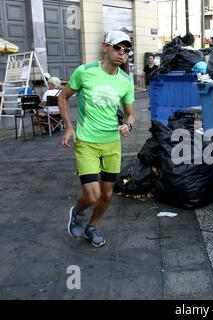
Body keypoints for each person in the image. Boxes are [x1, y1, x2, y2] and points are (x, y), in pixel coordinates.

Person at [58, 30, 135, 247]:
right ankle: (79, 211)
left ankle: (91, 227)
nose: (122, 53)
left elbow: (130, 113)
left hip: (112, 143)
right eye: (117, 48)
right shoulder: (85, 72)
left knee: (108, 195)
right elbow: (62, 97)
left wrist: (128, 125)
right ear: (105, 47)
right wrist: (69, 128)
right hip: (86, 142)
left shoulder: (126, 81)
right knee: (92, 196)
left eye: (126, 50)